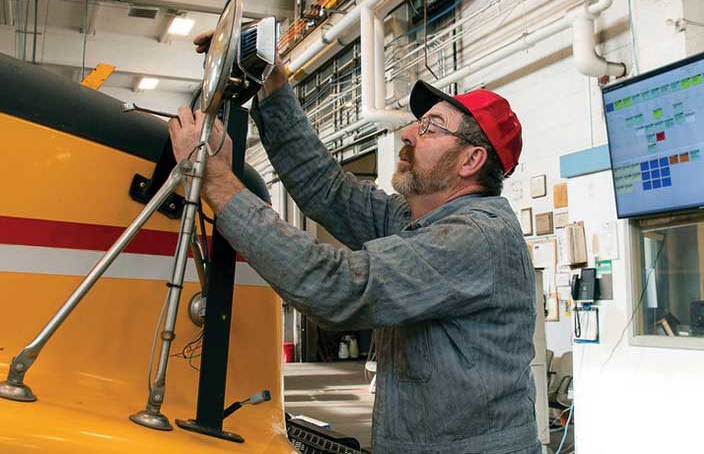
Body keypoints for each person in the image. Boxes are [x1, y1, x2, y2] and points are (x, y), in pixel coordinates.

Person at [166, 32, 540, 454]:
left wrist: (217, 182)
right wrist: (268, 73)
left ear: (472, 161)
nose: (409, 134)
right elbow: (327, 189)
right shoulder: (416, 220)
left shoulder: (475, 238)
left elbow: (339, 287)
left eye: (431, 127)